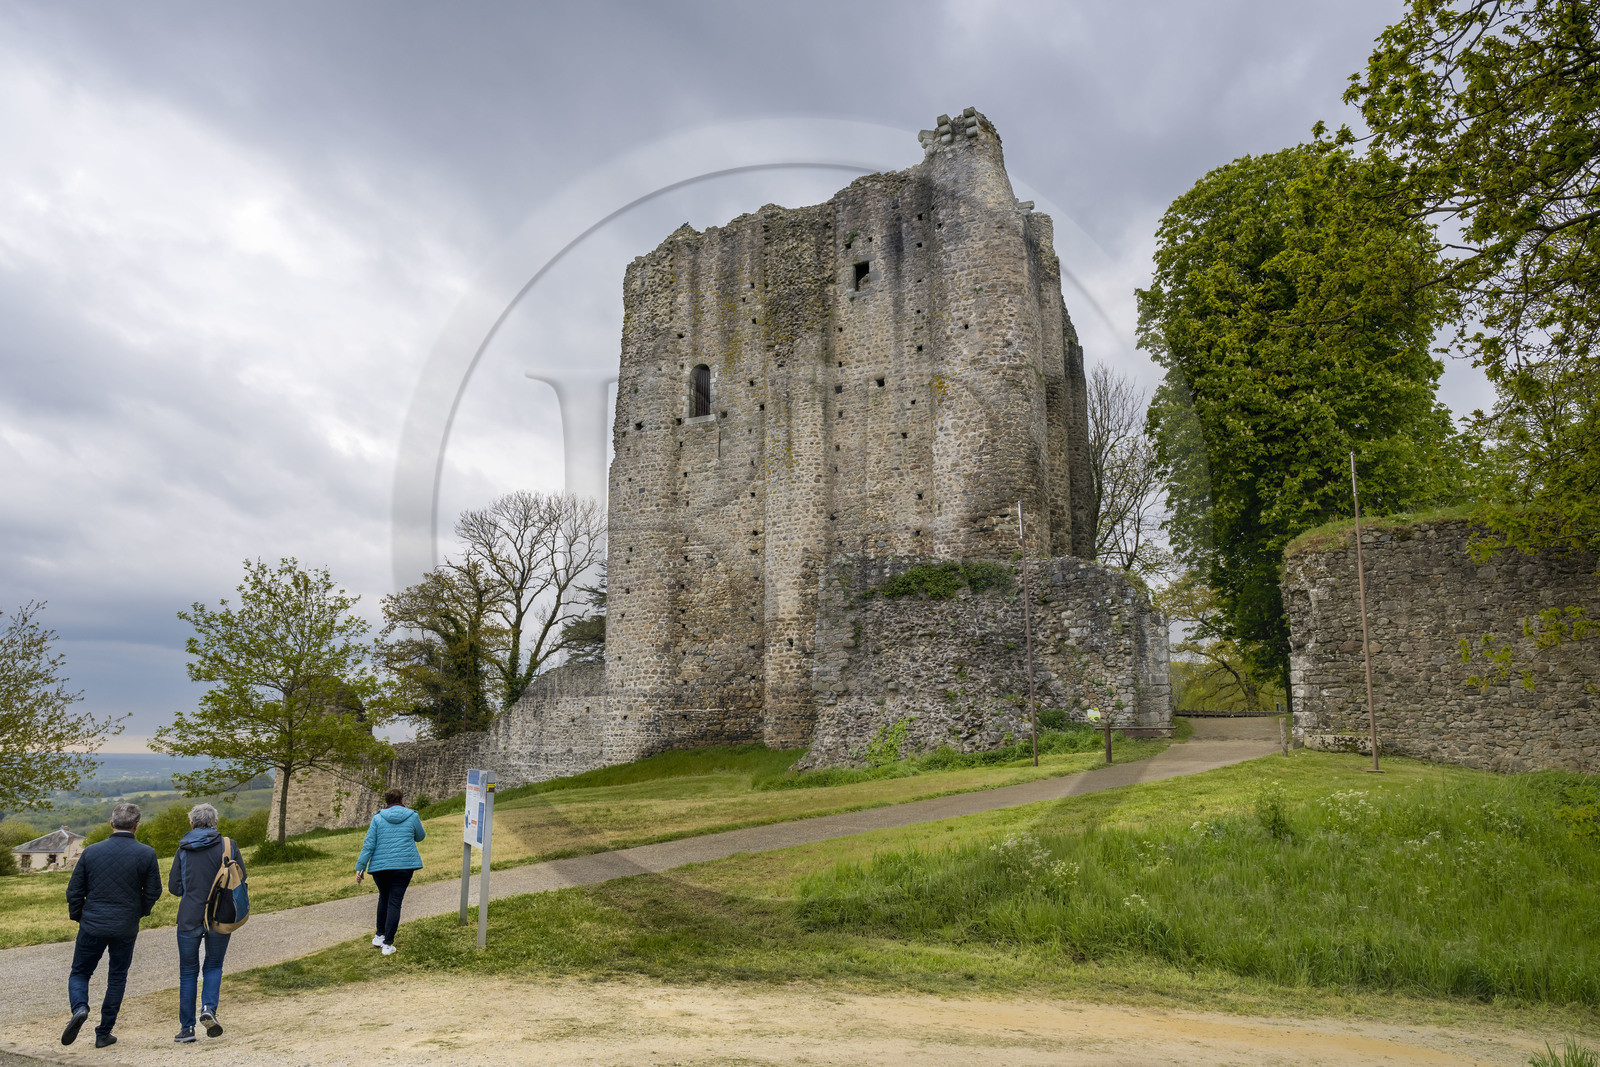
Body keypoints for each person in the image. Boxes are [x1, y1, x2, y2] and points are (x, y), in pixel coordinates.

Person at [62, 802, 162, 1049]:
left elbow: (74, 890)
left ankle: (80, 1007)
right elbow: (153, 891)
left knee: (80, 972)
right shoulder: (147, 853)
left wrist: (79, 916)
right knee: (117, 977)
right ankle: (103, 1032)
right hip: (125, 925)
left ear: (111, 823)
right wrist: (140, 912)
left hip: (92, 923)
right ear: (137, 825)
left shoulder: (91, 852)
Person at [168, 803, 245, 1043]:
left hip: (190, 915)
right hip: (220, 914)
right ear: (216, 823)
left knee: (188, 971)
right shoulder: (228, 845)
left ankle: (187, 1029)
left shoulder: (184, 848)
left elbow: (174, 888)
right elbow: (241, 877)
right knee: (213, 965)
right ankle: (208, 1009)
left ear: (191, 824)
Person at [355, 788, 426, 955]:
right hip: (404, 866)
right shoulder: (412, 816)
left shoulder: (378, 818)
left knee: (384, 898)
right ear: (402, 799)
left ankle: (379, 935)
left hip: (380, 868)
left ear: (386, 801)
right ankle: (388, 944)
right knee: (395, 902)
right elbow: (420, 836)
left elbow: (369, 844)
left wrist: (360, 867)